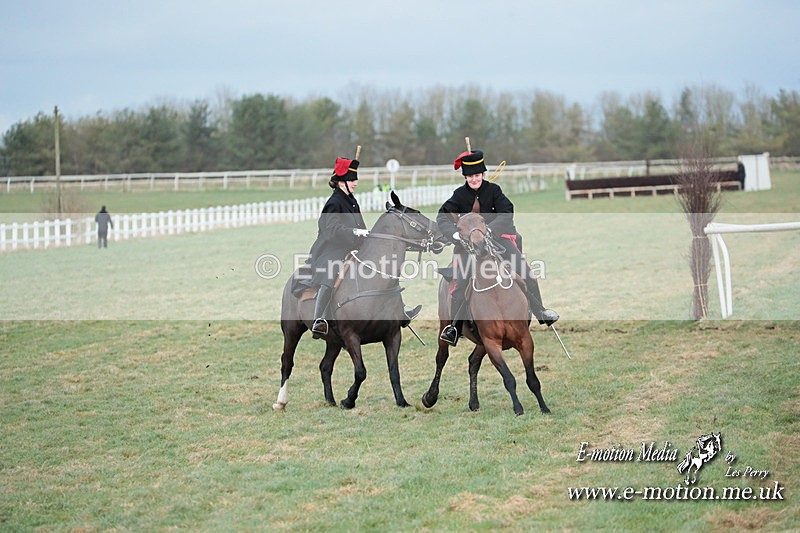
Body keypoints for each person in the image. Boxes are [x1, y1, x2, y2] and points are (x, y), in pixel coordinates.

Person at [437, 149, 559, 346]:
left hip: (497, 241)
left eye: (477, 175)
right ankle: (455, 328)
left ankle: (541, 311)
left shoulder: (494, 191)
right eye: (470, 176)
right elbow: (442, 216)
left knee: (527, 274)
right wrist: (455, 234)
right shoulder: (458, 195)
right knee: (459, 285)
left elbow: (507, 211)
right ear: (466, 177)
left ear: (483, 175)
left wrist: (490, 231)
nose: (474, 179)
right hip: (469, 247)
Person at [307, 156, 420, 338]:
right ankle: (319, 319)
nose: (355, 183)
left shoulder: (351, 200)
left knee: (383, 270)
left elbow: (358, 226)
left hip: (353, 247)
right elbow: (331, 230)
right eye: (352, 179)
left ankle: (400, 311)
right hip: (331, 249)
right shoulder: (334, 202)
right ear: (340, 182)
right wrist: (355, 233)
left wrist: (365, 237)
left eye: (355, 179)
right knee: (331, 273)